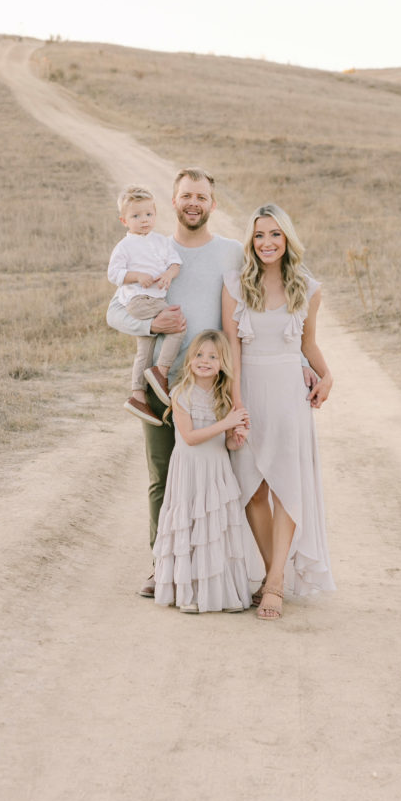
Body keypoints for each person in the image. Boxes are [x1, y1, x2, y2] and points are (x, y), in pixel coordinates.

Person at [106, 167, 243, 597]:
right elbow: (114, 312)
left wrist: (299, 359)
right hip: (162, 385)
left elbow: (248, 317)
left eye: (201, 196)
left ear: (212, 205)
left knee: (219, 477)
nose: (193, 203)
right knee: (162, 475)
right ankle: (161, 566)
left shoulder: (231, 252)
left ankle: (212, 567)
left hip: (212, 386)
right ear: (174, 201)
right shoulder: (151, 248)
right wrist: (152, 327)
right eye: (186, 195)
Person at [222, 203, 335, 621]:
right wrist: (235, 403)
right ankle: (277, 573)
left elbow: (308, 345)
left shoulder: (307, 288)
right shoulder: (234, 284)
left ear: (287, 239)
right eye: (258, 235)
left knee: (286, 486)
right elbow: (232, 347)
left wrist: (327, 376)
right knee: (252, 488)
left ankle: (272, 584)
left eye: (274, 234)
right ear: (250, 243)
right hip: (248, 388)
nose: (266, 242)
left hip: (289, 394)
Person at [153, 330, 252, 613]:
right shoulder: (181, 393)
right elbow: (191, 437)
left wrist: (236, 438)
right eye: (198, 355)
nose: (204, 361)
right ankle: (190, 594)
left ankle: (220, 594)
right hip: (190, 470)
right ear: (189, 359)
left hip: (216, 470)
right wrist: (227, 423)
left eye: (212, 356)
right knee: (191, 528)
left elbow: (228, 443)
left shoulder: (223, 397)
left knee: (214, 530)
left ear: (223, 363)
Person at [108, 185, 184, 425]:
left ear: (155, 214)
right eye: (136, 216)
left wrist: (169, 275)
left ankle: (137, 395)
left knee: (144, 348)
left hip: (155, 298)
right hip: (139, 300)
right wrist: (136, 276)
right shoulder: (125, 246)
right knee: (177, 324)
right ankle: (160, 371)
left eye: (148, 215)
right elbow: (114, 274)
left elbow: (175, 263)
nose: (143, 221)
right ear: (124, 220)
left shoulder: (161, 241)